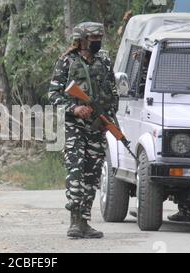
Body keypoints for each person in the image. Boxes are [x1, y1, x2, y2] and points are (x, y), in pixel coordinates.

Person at [48, 22, 119, 239]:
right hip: (74, 126)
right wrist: (74, 108)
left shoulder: (104, 61)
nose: (97, 42)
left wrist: (108, 117)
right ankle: (75, 221)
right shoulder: (67, 61)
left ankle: (85, 221)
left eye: (99, 38)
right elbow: (53, 95)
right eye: (93, 38)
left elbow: (112, 91)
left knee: (92, 173)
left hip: (97, 126)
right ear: (82, 40)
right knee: (76, 170)